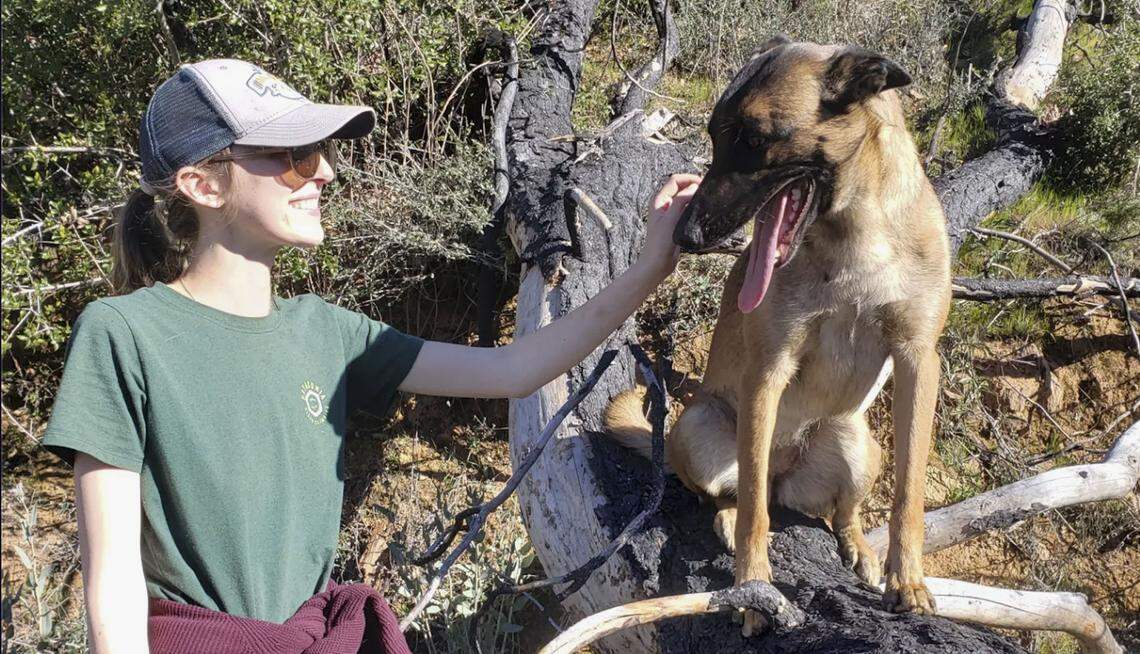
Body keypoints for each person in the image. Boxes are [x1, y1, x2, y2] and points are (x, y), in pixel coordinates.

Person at [41, 58, 700, 653]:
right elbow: (115, 578)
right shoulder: (124, 332)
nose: (324, 169)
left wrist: (651, 265)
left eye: (322, 149)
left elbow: (515, 369)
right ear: (203, 185)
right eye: (292, 154)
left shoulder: (327, 333)